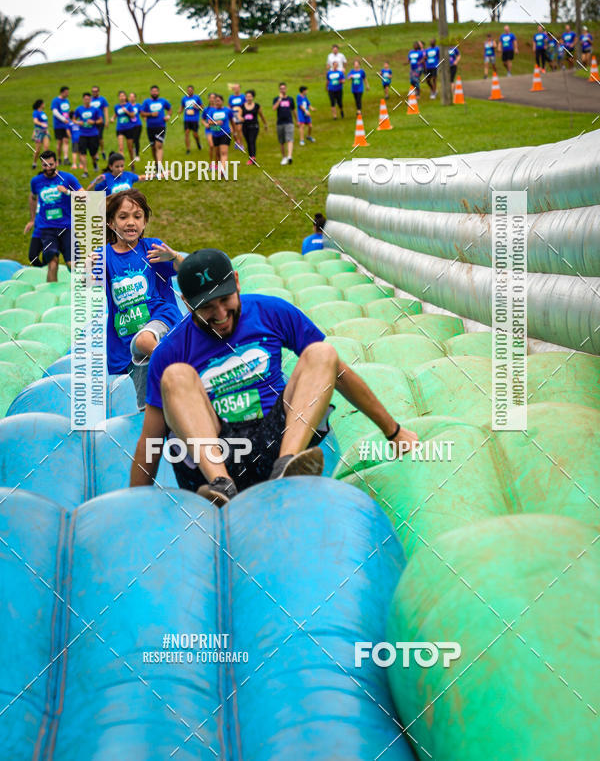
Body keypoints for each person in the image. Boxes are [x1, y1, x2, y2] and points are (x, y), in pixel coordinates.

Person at [129, 249, 419, 504]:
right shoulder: (172, 348)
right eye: (207, 307)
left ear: (238, 282)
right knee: (175, 375)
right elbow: (150, 437)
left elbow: (338, 373)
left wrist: (393, 431)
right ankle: (222, 485)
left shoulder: (271, 312)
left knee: (322, 353)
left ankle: (287, 466)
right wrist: (133, 505)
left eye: (225, 299)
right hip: (217, 451)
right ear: (187, 303)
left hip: (273, 440)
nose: (220, 314)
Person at [98, 189, 183, 411]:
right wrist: (88, 267)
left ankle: (176, 368)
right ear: (111, 223)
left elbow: (188, 270)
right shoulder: (104, 255)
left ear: (144, 222)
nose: (131, 222)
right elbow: (87, 283)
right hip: (126, 339)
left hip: (161, 319)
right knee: (149, 406)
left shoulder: (151, 248)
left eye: (137, 216)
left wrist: (174, 257)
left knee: (145, 340)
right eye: (123, 217)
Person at [25, 150, 82, 282]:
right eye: (44, 165)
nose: (48, 168)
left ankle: (86, 290)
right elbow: (33, 198)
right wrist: (32, 219)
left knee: (72, 266)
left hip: (67, 227)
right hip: (47, 228)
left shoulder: (67, 178)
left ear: (56, 162)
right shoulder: (36, 181)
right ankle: (51, 295)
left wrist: (67, 192)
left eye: (50, 164)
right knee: (52, 262)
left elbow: (85, 196)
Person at [72, 92, 103, 176]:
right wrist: (78, 122)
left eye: (88, 99)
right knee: (82, 153)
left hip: (93, 134)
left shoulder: (95, 109)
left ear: (91, 100)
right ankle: (85, 171)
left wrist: (94, 122)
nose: (87, 101)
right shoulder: (79, 109)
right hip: (82, 134)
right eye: (85, 99)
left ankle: (95, 164)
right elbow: (74, 119)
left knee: (93, 153)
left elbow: (101, 120)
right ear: (83, 100)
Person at [141, 85, 171, 165]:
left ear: (158, 92)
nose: (154, 93)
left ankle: (159, 166)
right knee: (153, 147)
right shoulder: (146, 102)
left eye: (156, 91)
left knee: (159, 145)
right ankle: (157, 163)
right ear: (150, 92)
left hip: (161, 126)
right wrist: (151, 114)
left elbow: (169, 109)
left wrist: (168, 116)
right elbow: (142, 114)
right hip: (150, 127)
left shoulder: (163, 101)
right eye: (153, 91)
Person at [204, 95, 234, 166]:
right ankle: (216, 165)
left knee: (223, 152)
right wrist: (216, 123)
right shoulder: (211, 110)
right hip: (215, 133)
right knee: (217, 153)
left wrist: (234, 132)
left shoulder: (227, 110)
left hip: (225, 133)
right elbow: (209, 122)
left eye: (218, 101)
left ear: (222, 101)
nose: (217, 102)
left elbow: (232, 121)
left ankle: (222, 170)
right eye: (215, 101)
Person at [240, 90, 267, 165]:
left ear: (253, 97)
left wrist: (265, 124)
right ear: (245, 97)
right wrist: (240, 119)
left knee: (252, 141)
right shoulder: (242, 106)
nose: (249, 98)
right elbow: (239, 116)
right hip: (245, 127)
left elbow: (261, 115)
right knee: (248, 142)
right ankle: (250, 157)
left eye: (250, 96)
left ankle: (253, 157)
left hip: (254, 127)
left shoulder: (257, 106)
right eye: (247, 96)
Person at [273, 83, 296, 165]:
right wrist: (280, 99)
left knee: (289, 139)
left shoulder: (290, 99)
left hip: (289, 122)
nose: (283, 90)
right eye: (281, 89)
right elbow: (274, 108)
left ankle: (290, 156)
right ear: (279, 90)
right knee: (282, 141)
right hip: (280, 123)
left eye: (284, 88)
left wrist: (297, 120)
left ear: (286, 89)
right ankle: (284, 157)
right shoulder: (276, 99)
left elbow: (293, 110)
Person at [111, 91, 137, 162]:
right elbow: (116, 114)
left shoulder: (129, 105)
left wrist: (126, 111)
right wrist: (113, 118)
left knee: (130, 148)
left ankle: (132, 163)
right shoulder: (116, 106)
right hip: (120, 128)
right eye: (120, 96)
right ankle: (121, 167)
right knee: (121, 148)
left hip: (129, 128)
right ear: (118, 97)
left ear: (125, 97)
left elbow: (133, 115)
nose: (122, 97)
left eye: (123, 96)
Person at [50, 86, 71, 166]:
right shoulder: (55, 101)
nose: (67, 94)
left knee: (66, 140)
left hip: (66, 124)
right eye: (66, 92)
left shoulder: (67, 101)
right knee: (59, 142)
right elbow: (55, 112)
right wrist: (63, 119)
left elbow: (67, 112)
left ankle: (66, 158)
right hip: (58, 125)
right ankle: (58, 158)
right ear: (62, 92)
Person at [180, 85, 203, 153]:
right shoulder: (184, 98)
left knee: (195, 134)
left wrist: (197, 107)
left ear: (193, 91)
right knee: (186, 133)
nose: (189, 91)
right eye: (188, 90)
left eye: (191, 90)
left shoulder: (197, 98)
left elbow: (202, 107)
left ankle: (198, 143)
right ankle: (188, 149)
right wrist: (180, 110)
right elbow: (182, 106)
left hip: (194, 119)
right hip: (186, 119)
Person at [90, 86, 110, 161]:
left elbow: (105, 110)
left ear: (98, 92)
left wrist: (107, 120)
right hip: (92, 122)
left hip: (100, 121)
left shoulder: (102, 99)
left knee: (99, 137)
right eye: (93, 91)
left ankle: (102, 150)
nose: (94, 93)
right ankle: (96, 153)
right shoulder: (90, 100)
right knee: (94, 138)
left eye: (96, 91)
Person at [32, 99, 49, 168]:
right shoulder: (35, 112)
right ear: (40, 104)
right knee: (38, 150)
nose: (44, 105)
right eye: (43, 103)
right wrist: (42, 124)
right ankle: (34, 163)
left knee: (46, 148)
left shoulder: (43, 112)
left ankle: (45, 164)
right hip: (38, 132)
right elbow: (35, 121)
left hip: (45, 131)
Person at [202, 92, 218, 167]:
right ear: (208, 99)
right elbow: (202, 119)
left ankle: (217, 163)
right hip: (208, 129)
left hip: (217, 128)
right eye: (210, 98)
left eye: (213, 98)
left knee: (217, 147)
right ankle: (211, 163)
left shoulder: (218, 108)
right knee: (211, 146)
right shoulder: (206, 109)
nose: (212, 99)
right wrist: (205, 124)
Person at [228, 84, 244, 150]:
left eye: (237, 88)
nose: (236, 89)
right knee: (232, 130)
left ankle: (241, 145)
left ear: (240, 88)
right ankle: (237, 142)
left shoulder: (243, 96)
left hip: (240, 114)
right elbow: (229, 106)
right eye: (235, 88)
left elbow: (245, 106)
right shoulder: (231, 97)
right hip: (233, 115)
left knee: (239, 129)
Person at [128, 92, 142, 165]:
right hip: (129, 125)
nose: (132, 98)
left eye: (133, 97)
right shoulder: (127, 106)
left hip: (137, 125)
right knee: (131, 140)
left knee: (136, 139)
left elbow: (142, 113)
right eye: (130, 97)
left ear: (135, 98)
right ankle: (132, 152)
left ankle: (137, 155)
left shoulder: (138, 105)